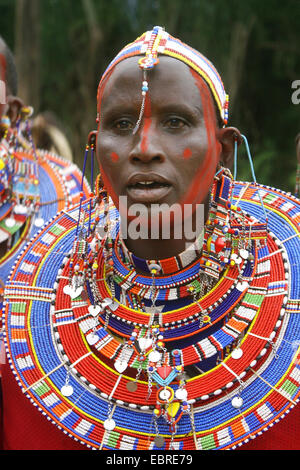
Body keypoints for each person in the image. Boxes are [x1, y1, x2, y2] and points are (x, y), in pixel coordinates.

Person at [1, 26, 300, 451]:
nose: (144, 148)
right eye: (122, 124)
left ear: (225, 150)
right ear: (96, 147)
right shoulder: (32, 311)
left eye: (176, 121)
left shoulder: (292, 275)